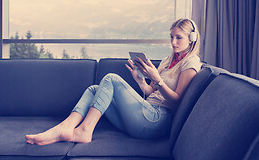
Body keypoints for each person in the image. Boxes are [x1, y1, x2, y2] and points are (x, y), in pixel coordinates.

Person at [25, 18, 202, 145]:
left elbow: (178, 101)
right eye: (171, 37)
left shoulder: (191, 63)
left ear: (191, 38)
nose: (173, 42)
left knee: (110, 78)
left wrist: (157, 79)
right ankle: (66, 126)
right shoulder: (168, 60)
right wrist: (140, 81)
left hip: (156, 121)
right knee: (95, 89)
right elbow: (151, 93)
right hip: (142, 115)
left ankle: (85, 130)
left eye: (178, 37)